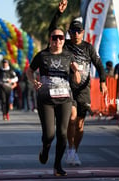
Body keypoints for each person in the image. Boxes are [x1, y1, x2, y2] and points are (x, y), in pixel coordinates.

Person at [49, 0, 107, 166]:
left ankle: (73, 150)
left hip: (84, 89)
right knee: (72, 118)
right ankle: (70, 150)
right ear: (69, 32)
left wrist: (103, 80)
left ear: (83, 33)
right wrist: (58, 13)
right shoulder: (64, 46)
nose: (76, 34)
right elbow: (52, 30)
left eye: (78, 31)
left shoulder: (88, 48)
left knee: (80, 125)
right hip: (68, 88)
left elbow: (99, 65)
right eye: (73, 31)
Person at [26, 27, 80, 176]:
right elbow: (29, 71)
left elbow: (77, 78)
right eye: (54, 38)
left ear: (64, 40)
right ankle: (45, 149)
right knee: (49, 134)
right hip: (46, 100)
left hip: (65, 99)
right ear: (50, 40)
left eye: (61, 38)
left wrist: (76, 72)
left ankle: (57, 166)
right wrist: (33, 81)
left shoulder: (69, 56)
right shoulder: (42, 55)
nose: (57, 41)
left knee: (62, 133)